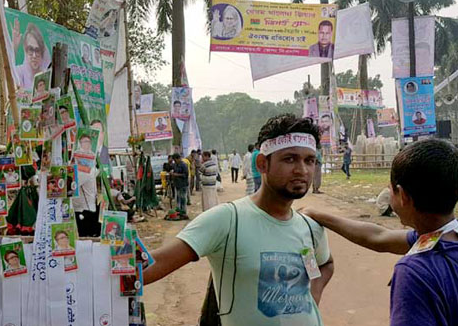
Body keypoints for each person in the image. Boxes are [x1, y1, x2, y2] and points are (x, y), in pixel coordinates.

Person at [144, 114, 334, 326]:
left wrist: (312, 300)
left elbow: (324, 264)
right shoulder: (227, 220)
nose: (302, 170)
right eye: (290, 159)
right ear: (262, 164)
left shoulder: (309, 227)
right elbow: (154, 264)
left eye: (309, 160)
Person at [302, 139, 458, 326]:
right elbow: (379, 237)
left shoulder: (415, 272)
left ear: (403, 196)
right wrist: (316, 215)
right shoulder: (441, 238)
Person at [12, 21, 50, 91]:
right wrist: (14, 48)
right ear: (25, 50)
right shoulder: (19, 71)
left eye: (37, 50)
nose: (34, 56)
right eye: (30, 49)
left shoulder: (48, 76)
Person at [170, 153, 189, 217]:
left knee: (183, 199)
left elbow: (185, 175)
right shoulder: (175, 165)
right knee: (178, 198)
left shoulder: (183, 165)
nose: (174, 161)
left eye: (175, 160)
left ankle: (184, 212)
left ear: (178, 158)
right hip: (177, 184)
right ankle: (179, 211)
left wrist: (177, 175)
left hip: (183, 184)